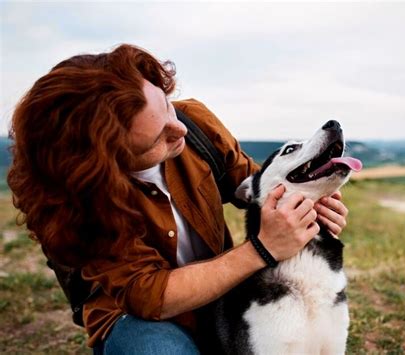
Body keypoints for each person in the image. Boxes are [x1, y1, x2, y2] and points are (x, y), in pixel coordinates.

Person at [7, 44, 349, 354]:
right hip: (143, 320)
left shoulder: (194, 123)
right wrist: (262, 248)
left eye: (167, 107)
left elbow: (250, 180)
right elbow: (149, 295)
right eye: (158, 136)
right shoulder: (78, 200)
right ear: (106, 162)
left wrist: (308, 200)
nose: (179, 129)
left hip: (221, 301)